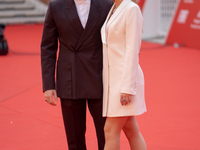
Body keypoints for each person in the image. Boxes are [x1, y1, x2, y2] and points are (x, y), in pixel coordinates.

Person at [40, 0, 113, 149]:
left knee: (107, 136)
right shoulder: (56, 6)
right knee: (74, 140)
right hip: (69, 79)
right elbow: (48, 47)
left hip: (100, 79)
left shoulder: (106, 5)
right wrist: (48, 85)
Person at [101, 0, 147, 149]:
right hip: (112, 81)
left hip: (124, 81)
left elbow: (133, 50)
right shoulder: (114, 8)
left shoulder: (131, 9)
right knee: (130, 129)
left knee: (110, 130)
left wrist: (127, 87)